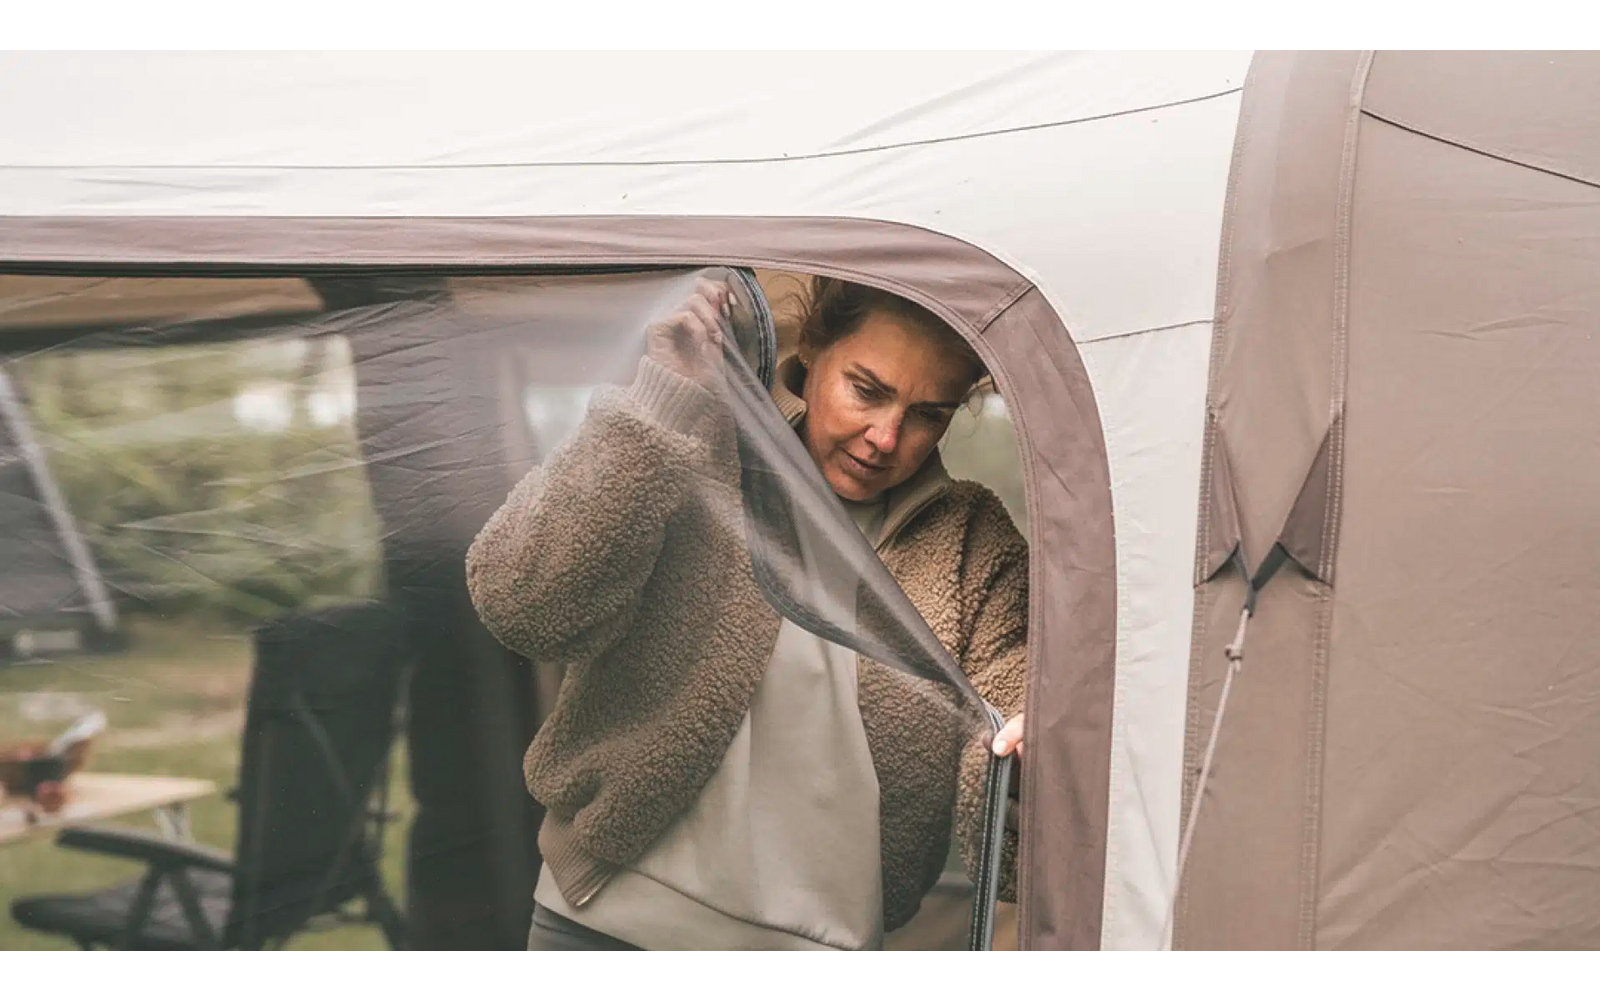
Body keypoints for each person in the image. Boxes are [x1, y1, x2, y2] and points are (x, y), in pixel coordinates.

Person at [466, 275, 1028, 951]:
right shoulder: (693, 454)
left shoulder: (974, 542)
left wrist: (1037, 735)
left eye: (927, 413)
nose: (885, 437)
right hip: (602, 928)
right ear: (813, 351)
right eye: (867, 390)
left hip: (825, 952)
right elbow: (524, 603)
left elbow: (1014, 695)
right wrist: (662, 400)